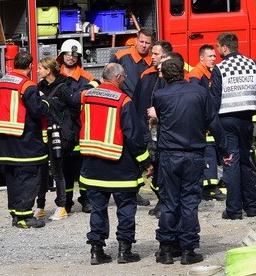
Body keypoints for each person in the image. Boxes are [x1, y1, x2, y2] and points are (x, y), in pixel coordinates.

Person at [79, 62, 151, 264]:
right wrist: (146, 161)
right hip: (120, 167)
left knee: (98, 210)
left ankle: (96, 251)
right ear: (118, 78)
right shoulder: (124, 101)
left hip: (93, 165)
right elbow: (133, 137)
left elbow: (71, 97)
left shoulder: (87, 96)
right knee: (126, 209)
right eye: (124, 78)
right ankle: (124, 251)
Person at [151, 58, 217, 264]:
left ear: (166, 76)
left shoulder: (159, 95)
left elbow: (160, 118)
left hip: (170, 155)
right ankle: (188, 250)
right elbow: (211, 119)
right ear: (183, 72)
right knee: (189, 202)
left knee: (170, 201)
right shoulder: (200, 92)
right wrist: (223, 149)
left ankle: (166, 249)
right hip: (193, 153)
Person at [210, 32, 256, 220]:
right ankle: (251, 206)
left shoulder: (219, 68)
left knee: (231, 162)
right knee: (245, 161)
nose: (217, 50)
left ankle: (234, 210)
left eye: (218, 47)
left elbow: (215, 99)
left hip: (227, 120)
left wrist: (211, 121)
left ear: (225, 48)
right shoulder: (253, 64)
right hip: (247, 120)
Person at [0, 50, 47, 229]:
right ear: (30, 66)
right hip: (26, 140)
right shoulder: (28, 86)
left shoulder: (3, 82)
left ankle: (16, 214)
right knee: (29, 178)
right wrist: (46, 102)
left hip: (7, 140)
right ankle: (26, 216)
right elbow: (37, 111)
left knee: (13, 178)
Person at [36, 56, 82, 220]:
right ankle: (40, 206)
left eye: (40, 68)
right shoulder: (40, 86)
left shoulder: (63, 88)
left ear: (48, 71)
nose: (37, 71)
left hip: (59, 135)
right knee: (41, 172)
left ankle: (62, 206)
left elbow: (75, 107)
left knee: (57, 172)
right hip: (44, 133)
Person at [136, 40, 174, 215]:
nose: (152, 57)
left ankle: (165, 203)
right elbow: (138, 101)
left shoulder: (173, 78)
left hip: (166, 130)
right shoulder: (146, 75)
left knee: (163, 167)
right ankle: (161, 200)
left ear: (165, 57)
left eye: (156, 54)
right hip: (149, 130)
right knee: (154, 164)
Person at [186, 43, 225, 201]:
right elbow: (196, 100)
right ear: (201, 58)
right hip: (203, 123)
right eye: (210, 56)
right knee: (207, 153)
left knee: (210, 153)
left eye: (214, 56)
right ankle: (208, 187)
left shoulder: (207, 72)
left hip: (208, 120)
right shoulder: (196, 74)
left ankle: (209, 186)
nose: (214, 59)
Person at [57, 39, 92, 212]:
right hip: (62, 129)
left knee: (84, 167)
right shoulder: (55, 75)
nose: (71, 57)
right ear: (62, 55)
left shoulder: (87, 78)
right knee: (64, 168)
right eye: (68, 54)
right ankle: (66, 201)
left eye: (75, 54)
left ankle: (86, 200)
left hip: (81, 127)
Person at [108, 27, 154, 98]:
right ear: (136, 40)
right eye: (141, 42)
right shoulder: (120, 56)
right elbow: (108, 80)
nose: (144, 45)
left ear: (151, 44)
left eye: (147, 43)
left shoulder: (154, 60)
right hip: (125, 102)